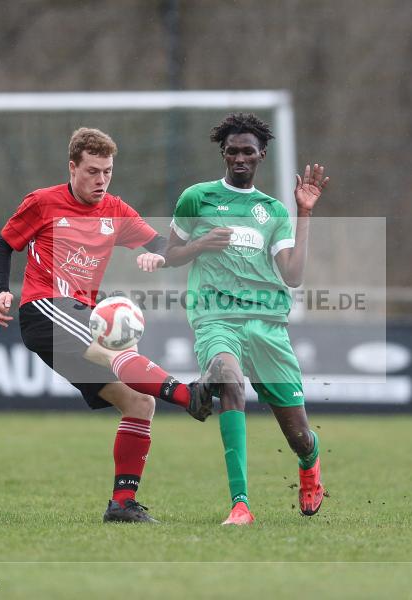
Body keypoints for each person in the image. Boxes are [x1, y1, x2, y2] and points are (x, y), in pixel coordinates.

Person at [0, 127, 217, 524]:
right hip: (45, 308)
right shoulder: (43, 202)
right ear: (72, 167)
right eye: (92, 171)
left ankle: (122, 504)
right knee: (114, 349)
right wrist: (1, 291)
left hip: (81, 314)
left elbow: (162, 245)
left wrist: (161, 257)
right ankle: (188, 395)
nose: (101, 180)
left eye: (107, 172)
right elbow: (4, 244)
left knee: (139, 402)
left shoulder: (115, 210)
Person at [140, 112, 329, 525]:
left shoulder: (272, 210)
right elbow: (170, 255)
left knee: (299, 436)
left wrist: (304, 213)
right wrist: (202, 243)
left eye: (247, 152)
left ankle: (310, 463)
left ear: (262, 155)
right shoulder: (197, 198)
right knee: (229, 378)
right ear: (223, 154)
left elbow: (293, 276)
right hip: (215, 317)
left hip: (266, 324)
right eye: (232, 151)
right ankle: (240, 505)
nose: (239, 158)